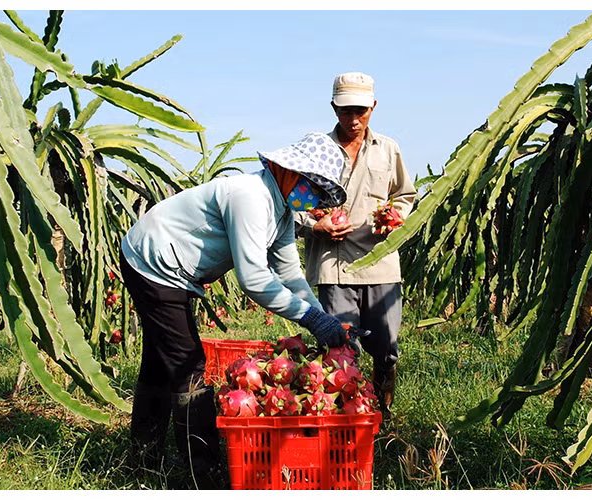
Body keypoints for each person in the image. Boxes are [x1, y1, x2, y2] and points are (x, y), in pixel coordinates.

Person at [119, 132, 351, 489]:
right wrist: (310, 319)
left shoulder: (281, 211)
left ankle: (141, 457)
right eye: (311, 185)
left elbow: (289, 272)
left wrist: (321, 316)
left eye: (319, 191)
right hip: (154, 262)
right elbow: (255, 279)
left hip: (168, 268)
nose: (313, 196)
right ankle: (202, 473)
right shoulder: (251, 197)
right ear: (287, 170)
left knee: (160, 359)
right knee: (187, 363)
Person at [295, 72, 417, 420]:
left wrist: (394, 214)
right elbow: (295, 203)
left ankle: (383, 402)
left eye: (360, 110)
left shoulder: (388, 150)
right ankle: (346, 417)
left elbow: (405, 195)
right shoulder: (315, 153)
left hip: (380, 263)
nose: (353, 119)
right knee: (338, 349)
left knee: (385, 346)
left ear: (373, 107)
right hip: (333, 267)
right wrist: (314, 224)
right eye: (346, 110)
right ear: (334, 107)